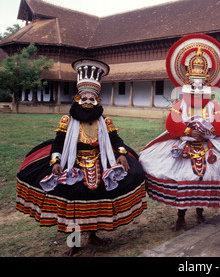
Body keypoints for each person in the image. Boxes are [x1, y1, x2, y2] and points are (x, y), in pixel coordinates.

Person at [16, 59, 147, 256]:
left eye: (91, 99)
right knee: (72, 204)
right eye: (83, 99)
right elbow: (58, 144)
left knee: (98, 198)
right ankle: (74, 242)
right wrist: (56, 162)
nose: (87, 103)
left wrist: (121, 155)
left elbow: (117, 140)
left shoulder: (105, 121)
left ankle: (93, 235)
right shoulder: (67, 121)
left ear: (97, 101)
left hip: (100, 162)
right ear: (78, 99)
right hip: (73, 164)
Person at [139, 34, 220, 231]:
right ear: (187, 84)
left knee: (205, 179)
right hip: (184, 145)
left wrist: (205, 131)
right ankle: (180, 217)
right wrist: (189, 131)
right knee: (182, 180)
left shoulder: (213, 105)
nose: (197, 87)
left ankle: (200, 212)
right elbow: (171, 124)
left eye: (201, 84)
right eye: (194, 84)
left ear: (207, 85)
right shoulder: (180, 104)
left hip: (209, 145)